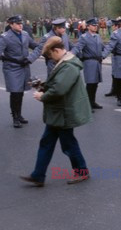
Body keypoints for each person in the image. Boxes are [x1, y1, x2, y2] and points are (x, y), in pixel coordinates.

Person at [21, 36, 91, 186]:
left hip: (64, 113)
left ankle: (81, 171)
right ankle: (38, 175)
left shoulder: (69, 66)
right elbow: (58, 83)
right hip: (59, 112)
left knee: (68, 144)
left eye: (51, 55)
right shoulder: (65, 63)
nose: (50, 59)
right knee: (47, 142)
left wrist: (42, 96)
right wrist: (42, 84)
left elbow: (59, 89)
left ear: (57, 50)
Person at [0, 15, 38, 128]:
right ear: (11, 25)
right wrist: (12, 59)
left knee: (20, 92)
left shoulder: (25, 34)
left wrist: (32, 57)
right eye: (17, 23)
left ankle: (19, 115)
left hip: (24, 67)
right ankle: (15, 117)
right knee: (15, 92)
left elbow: (35, 46)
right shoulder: (5, 37)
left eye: (21, 23)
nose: (20, 25)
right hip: (12, 68)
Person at [72, 18, 104, 111]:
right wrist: (79, 56)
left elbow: (103, 47)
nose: (95, 27)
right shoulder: (84, 37)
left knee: (95, 83)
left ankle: (93, 102)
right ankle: (87, 104)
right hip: (89, 62)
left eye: (96, 25)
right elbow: (77, 48)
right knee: (90, 84)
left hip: (97, 62)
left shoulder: (97, 36)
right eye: (93, 25)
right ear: (88, 26)